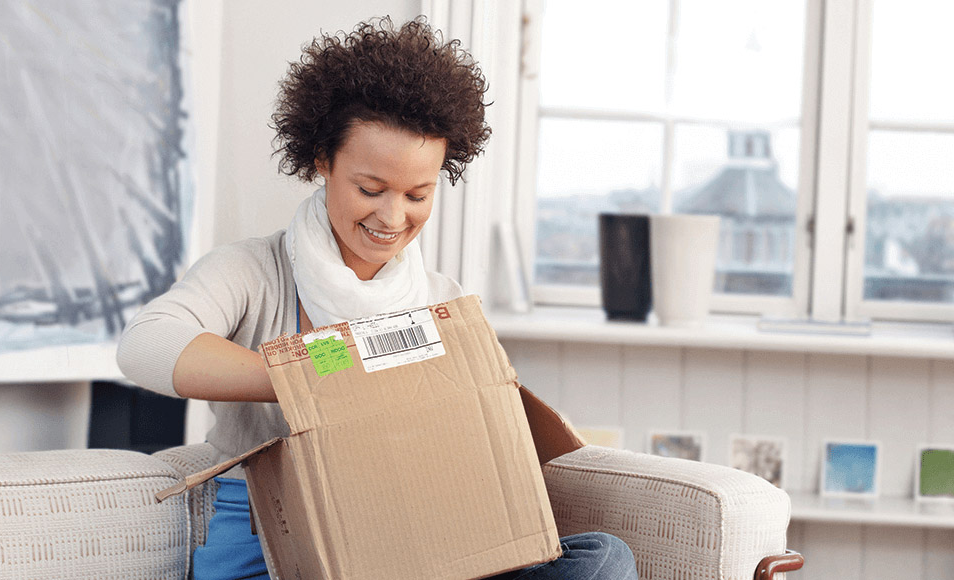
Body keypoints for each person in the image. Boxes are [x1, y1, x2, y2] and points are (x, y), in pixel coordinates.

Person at [116, 16, 636, 580]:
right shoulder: (252, 272)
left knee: (601, 558)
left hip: (410, 540)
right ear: (322, 160)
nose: (392, 217)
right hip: (273, 553)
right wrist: (315, 374)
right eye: (370, 189)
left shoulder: (440, 302)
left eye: (417, 194)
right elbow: (148, 345)